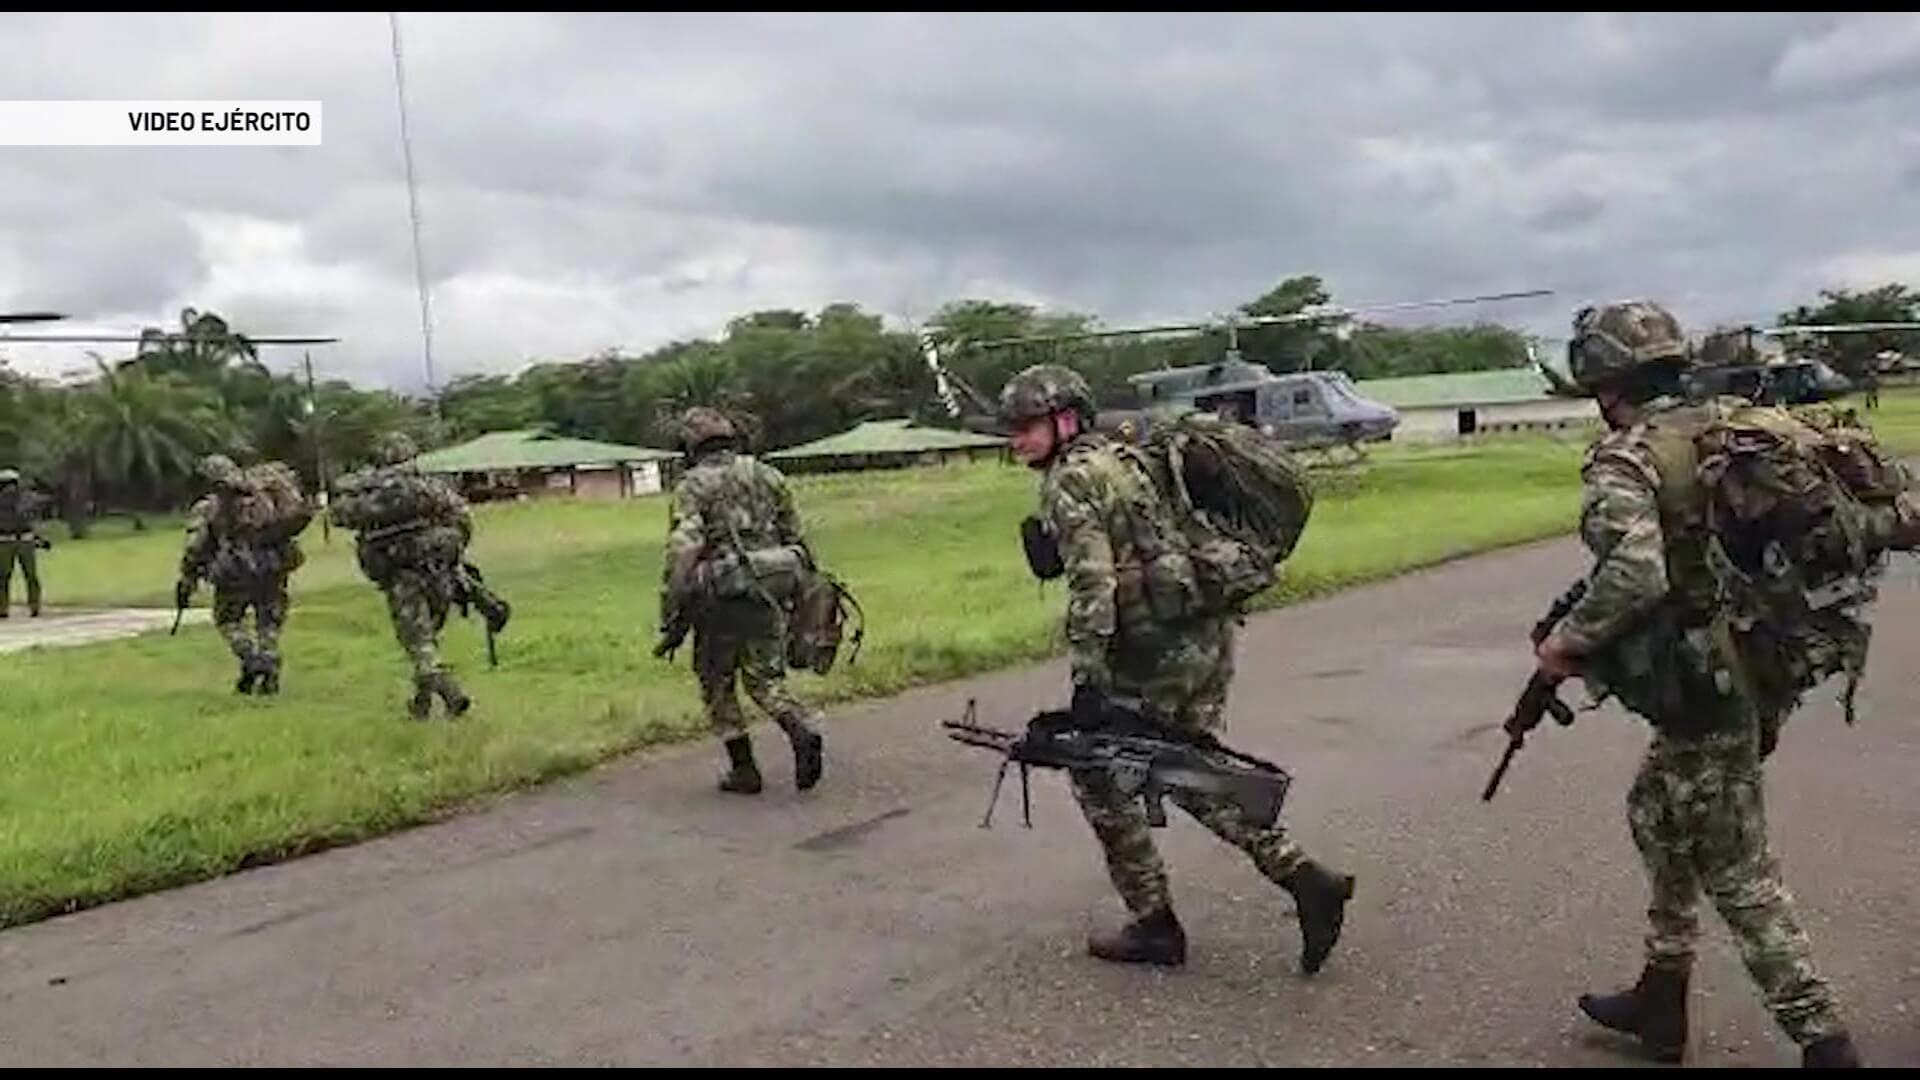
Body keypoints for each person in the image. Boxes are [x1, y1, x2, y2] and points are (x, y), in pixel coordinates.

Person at [1535, 301, 1864, 1067]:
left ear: (1602, 380)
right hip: (1764, 659)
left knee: (1735, 862)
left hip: (1708, 683)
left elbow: (1636, 571)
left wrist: (1567, 644)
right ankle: (1661, 995)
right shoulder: (1733, 426)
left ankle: (1825, 1040)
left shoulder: (1630, 454)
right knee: (1657, 809)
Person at [997, 362, 1353, 972]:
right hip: (1203, 631)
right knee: (1185, 766)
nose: (1017, 440)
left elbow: (1094, 584)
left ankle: (1169, 921)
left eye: (1028, 427)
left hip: (1152, 649)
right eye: (1014, 429)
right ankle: (1289, 880)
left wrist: (1085, 677)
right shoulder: (1128, 456)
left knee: (1113, 774)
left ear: (1064, 421)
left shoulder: (1071, 480)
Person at [657, 406, 825, 795]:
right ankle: (801, 727)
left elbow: (685, 547)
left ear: (692, 445)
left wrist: (672, 605)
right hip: (771, 588)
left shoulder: (693, 485)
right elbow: (795, 535)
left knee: (717, 681)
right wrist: (804, 590)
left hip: (721, 596)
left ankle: (744, 770)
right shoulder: (768, 474)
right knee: (765, 677)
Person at [330, 432, 509, 720]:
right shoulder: (428, 486)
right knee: (426, 638)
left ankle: (449, 691)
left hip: (400, 576)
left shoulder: (368, 492)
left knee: (418, 642)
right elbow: (462, 519)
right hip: (438, 572)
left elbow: (339, 517)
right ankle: (421, 703)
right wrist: (447, 548)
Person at [178, 454, 310, 694]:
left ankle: (250, 658)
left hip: (235, 570)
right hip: (273, 564)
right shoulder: (264, 495)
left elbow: (195, 547)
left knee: (228, 619)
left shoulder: (208, 507)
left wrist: (188, 576)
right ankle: (268, 660)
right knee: (268, 618)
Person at [0, 467, 47, 618]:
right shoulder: (26, 498)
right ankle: (34, 606)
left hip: (10, 541)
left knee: (5, 576)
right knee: (28, 575)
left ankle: (4, 608)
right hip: (21, 540)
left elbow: (30, 518)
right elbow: (32, 518)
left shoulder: (25, 498)